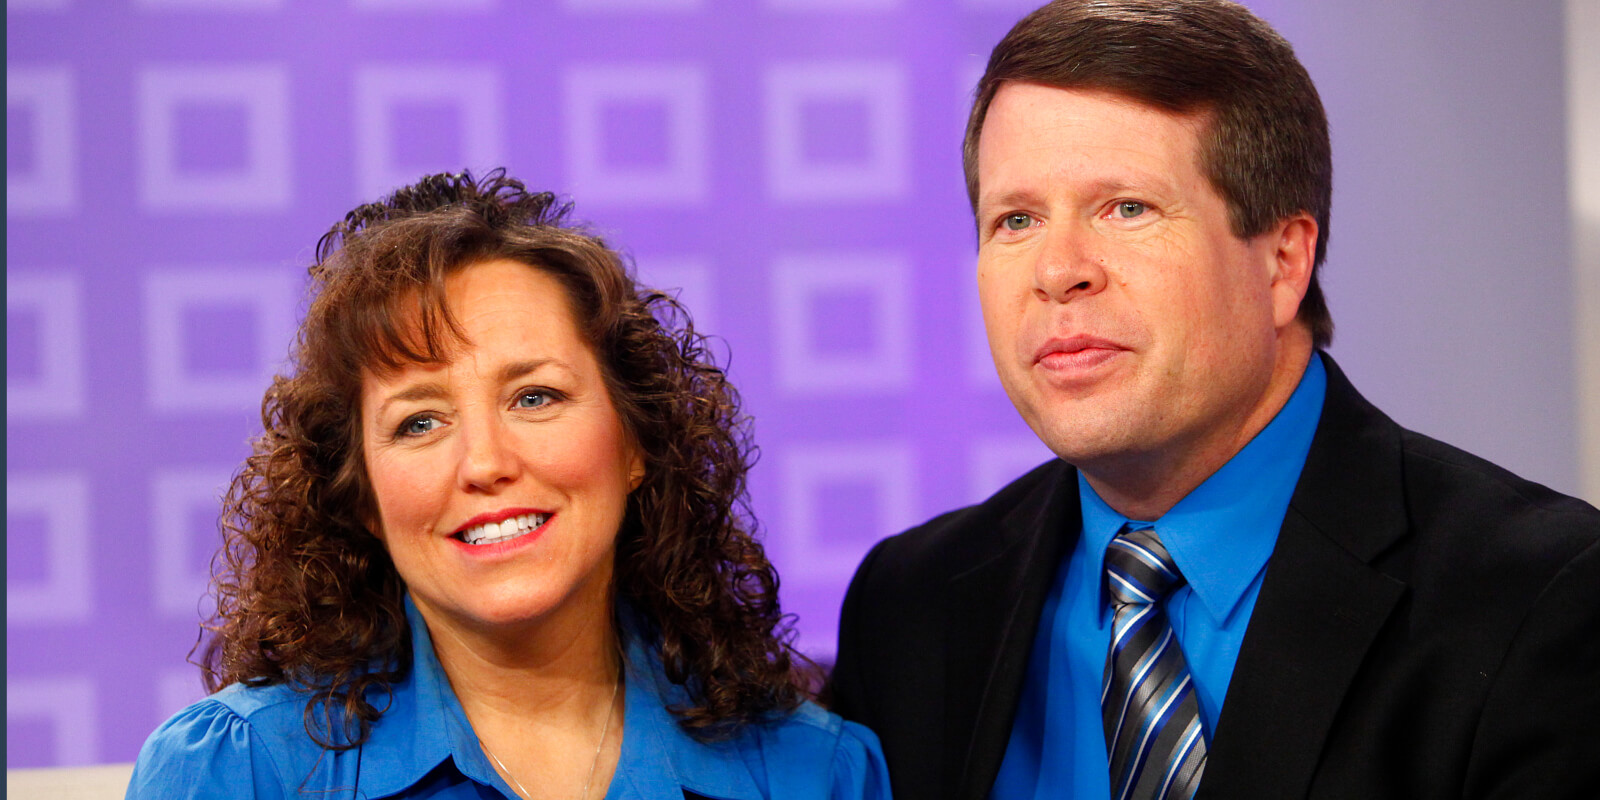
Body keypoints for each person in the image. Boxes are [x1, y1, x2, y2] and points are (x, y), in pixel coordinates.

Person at [828, 1, 1600, 798]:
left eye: (1126, 207)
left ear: (1282, 262)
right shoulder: (908, 607)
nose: (1058, 271)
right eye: (1016, 219)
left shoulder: (1541, 603)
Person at [128, 170, 891, 800]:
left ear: (635, 442)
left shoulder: (815, 773)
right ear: (361, 497)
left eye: (535, 397)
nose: (485, 462)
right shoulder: (237, 773)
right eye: (419, 422)